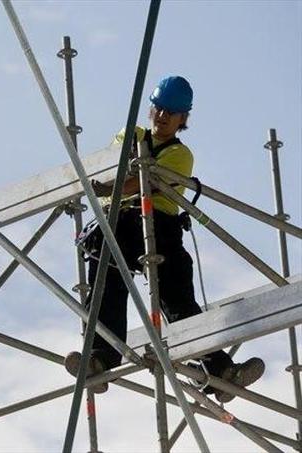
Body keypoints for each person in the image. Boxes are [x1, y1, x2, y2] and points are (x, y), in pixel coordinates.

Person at [64, 76, 264, 402]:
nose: (162, 117)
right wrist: (117, 181)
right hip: (117, 223)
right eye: (159, 109)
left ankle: (220, 371)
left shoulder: (180, 155)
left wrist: (120, 181)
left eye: (171, 113)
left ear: (183, 118)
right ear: (151, 109)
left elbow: (141, 183)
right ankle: (98, 359)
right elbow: (115, 169)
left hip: (159, 227)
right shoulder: (128, 135)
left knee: (177, 298)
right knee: (106, 286)